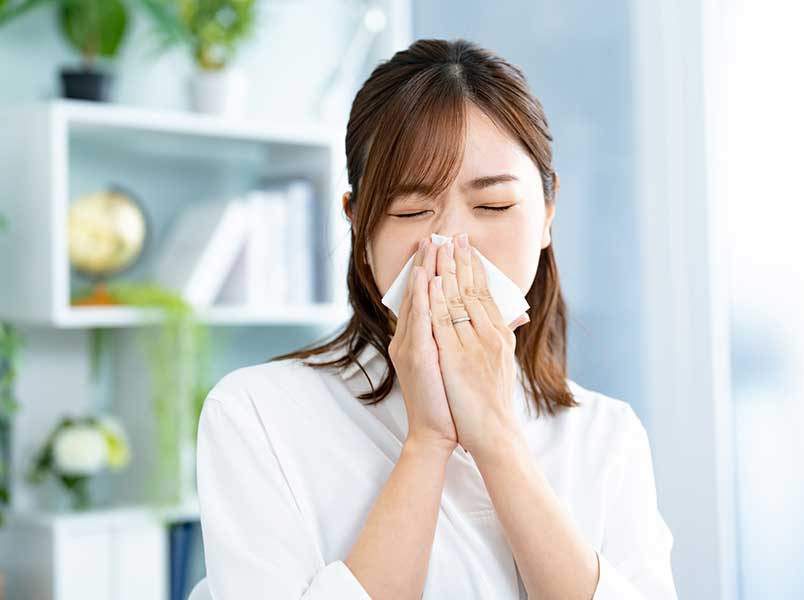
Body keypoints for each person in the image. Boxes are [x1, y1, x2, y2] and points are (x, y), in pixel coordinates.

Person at [196, 38, 678, 599]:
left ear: (547, 214)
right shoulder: (256, 414)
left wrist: (496, 437)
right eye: (411, 210)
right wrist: (427, 442)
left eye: (493, 206)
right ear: (359, 224)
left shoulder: (605, 434)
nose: (451, 244)